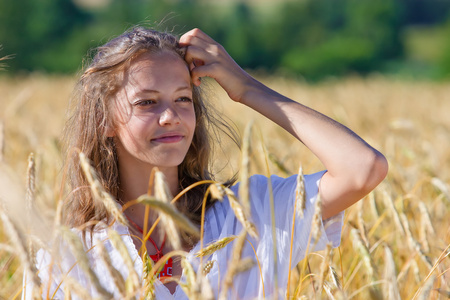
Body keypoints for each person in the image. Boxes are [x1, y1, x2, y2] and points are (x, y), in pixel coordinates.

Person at [22, 26, 388, 299]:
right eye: (147, 103)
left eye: (183, 99)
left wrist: (246, 88)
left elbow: (363, 168)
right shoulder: (67, 256)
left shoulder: (252, 214)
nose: (171, 117)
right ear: (104, 121)